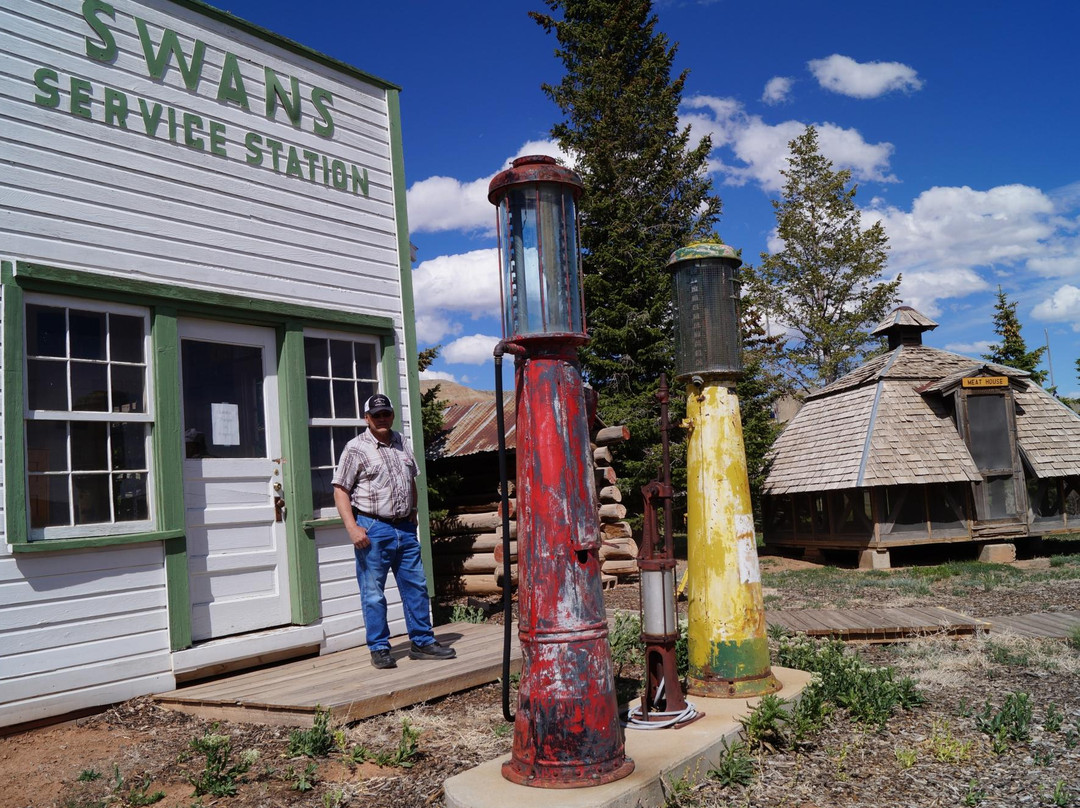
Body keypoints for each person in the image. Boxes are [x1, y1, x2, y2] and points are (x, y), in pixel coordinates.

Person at [332, 393, 456, 669]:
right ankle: (379, 648)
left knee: (417, 587)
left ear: (391, 415)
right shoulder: (356, 448)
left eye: (386, 413)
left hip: (404, 528)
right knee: (373, 591)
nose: (382, 418)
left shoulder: (401, 442)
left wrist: (413, 511)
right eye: (376, 415)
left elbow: (411, 479)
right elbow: (340, 490)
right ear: (367, 418)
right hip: (372, 528)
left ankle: (422, 642)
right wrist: (352, 528)